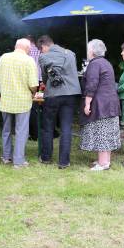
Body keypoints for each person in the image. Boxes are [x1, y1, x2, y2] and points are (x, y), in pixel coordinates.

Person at [37, 35, 81, 169]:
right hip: (71, 94)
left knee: (48, 126)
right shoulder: (70, 54)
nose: (41, 52)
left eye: (41, 49)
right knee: (66, 127)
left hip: (53, 95)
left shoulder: (43, 57)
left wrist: (44, 84)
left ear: (44, 46)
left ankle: (46, 157)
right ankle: (64, 162)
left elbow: (45, 78)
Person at [0, 38, 38, 168]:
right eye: (30, 48)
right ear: (26, 48)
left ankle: (6, 157)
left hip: (6, 99)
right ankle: (18, 161)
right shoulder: (29, 60)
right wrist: (33, 92)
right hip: (22, 101)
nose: (30, 50)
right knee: (21, 131)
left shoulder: (3, 57)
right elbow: (33, 84)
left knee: (6, 129)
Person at [80, 39, 121, 170]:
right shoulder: (106, 62)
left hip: (101, 103)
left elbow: (91, 84)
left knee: (101, 132)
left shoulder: (94, 64)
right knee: (107, 132)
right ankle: (105, 161)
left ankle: (102, 164)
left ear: (92, 51)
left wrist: (87, 103)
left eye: (88, 49)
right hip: (111, 102)